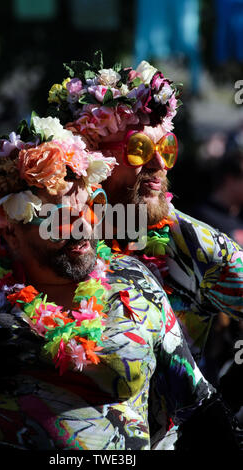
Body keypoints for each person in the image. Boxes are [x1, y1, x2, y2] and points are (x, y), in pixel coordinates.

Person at [0, 114, 238, 451]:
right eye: (60, 218)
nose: (81, 226)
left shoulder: (135, 282)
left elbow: (197, 403)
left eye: (89, 208)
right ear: (10, 228)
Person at [46, 51, 243, 448]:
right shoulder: (43, 231)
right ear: (91, 154)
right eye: (138, 148)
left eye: (166, 148)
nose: (157, 163)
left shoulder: (191, 244)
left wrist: (231, 401)